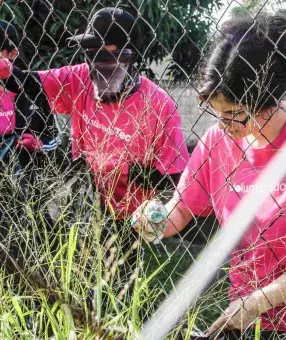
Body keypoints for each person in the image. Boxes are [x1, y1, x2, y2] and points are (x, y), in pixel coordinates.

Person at [133, 15, 286, 339]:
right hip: (244, 320)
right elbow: (180, 209)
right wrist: (151, 217)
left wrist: (258, 302)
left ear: (267, 101)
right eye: (217, 113)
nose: (223, 125)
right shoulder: (216, 142)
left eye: (232, 114)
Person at [0, 8, 189, 289]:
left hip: (130, 216)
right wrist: (6, 68)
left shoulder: (159, 105)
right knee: (74, 283)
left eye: (103, 52)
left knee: (115, 289)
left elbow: (175, 179)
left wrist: (124, 170)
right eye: (89, 51)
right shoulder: (80, 79)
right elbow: (29, 83)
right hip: (84, 205)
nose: (93, 61)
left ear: (128, 53)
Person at [0, 20, 62, 278]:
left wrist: (38, 144)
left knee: (35, 268)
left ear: (12, 54)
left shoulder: (33, 88)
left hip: (30, 199)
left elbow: (55, 138)